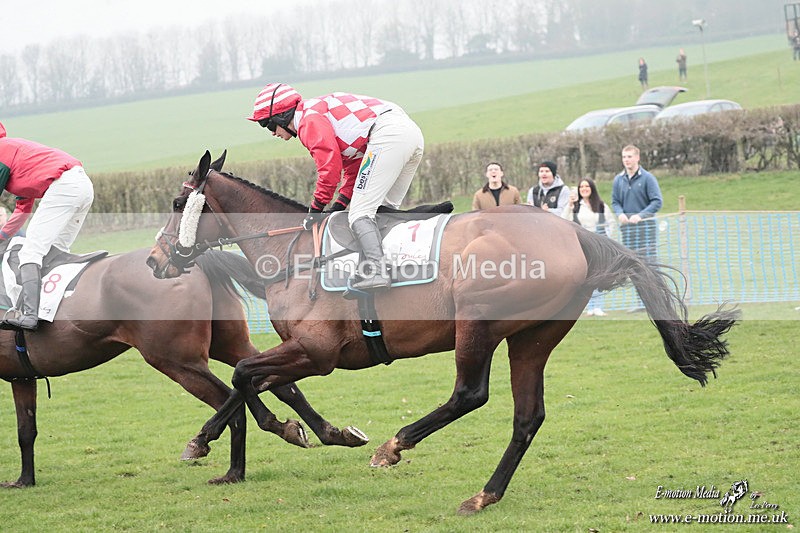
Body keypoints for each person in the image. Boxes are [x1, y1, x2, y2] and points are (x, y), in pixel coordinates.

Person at [246, 83, 424, 293]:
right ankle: (393, 267)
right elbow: (353, 168)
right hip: (408, 134)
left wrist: (315, 210)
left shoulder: (308, 121)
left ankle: (377, 272)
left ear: (282, 117)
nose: (272, 133)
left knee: (360, 214)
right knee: (383, 212)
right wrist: (338, 205)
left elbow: (329, 169)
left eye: (267, 125)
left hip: (389, 136)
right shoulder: (314, 112)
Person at [0, 121, 94, 330]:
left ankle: (30, 316)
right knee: (55, 252)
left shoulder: (1, 151)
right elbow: (23, 209)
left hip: (65, 187)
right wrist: (2, 236)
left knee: (30, 252)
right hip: (82, 185)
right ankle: (52, 308)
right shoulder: (13, 152)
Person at [563, 178, 610, 316]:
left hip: (599, 246)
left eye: (587, 186)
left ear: (592, 188)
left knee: (599, 275)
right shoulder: (575, 207)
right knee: (585, 277)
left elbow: (610, 223)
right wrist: (569, 205)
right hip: (582, 246)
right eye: (581, 187)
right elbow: (563, 219)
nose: (584, 189)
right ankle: (589, 307)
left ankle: (598, 307)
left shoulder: (601, 206)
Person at [611, 144, 662, 263]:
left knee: (649, 263)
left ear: (637, 158)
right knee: (631, 262)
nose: (626, 160)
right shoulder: (618, 179)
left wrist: (640, 216)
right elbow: (615, 202)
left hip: (646, 229)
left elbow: (657, 201)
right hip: (627, 229)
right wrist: (620, 214)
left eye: (629, 156)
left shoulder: (648, 178)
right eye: (624, 157)